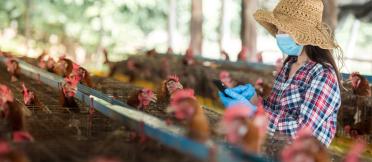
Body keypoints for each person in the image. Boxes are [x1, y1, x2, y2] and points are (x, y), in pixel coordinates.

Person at [218, 0, 342, 158]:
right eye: (278, 29)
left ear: (302, 35)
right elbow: (276, 111)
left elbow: (300, 130)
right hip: (273, 151)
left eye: (285, 30)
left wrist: (253, 113)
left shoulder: (323, 75)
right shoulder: (289, 65)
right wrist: (254, 100)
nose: (278, 34)